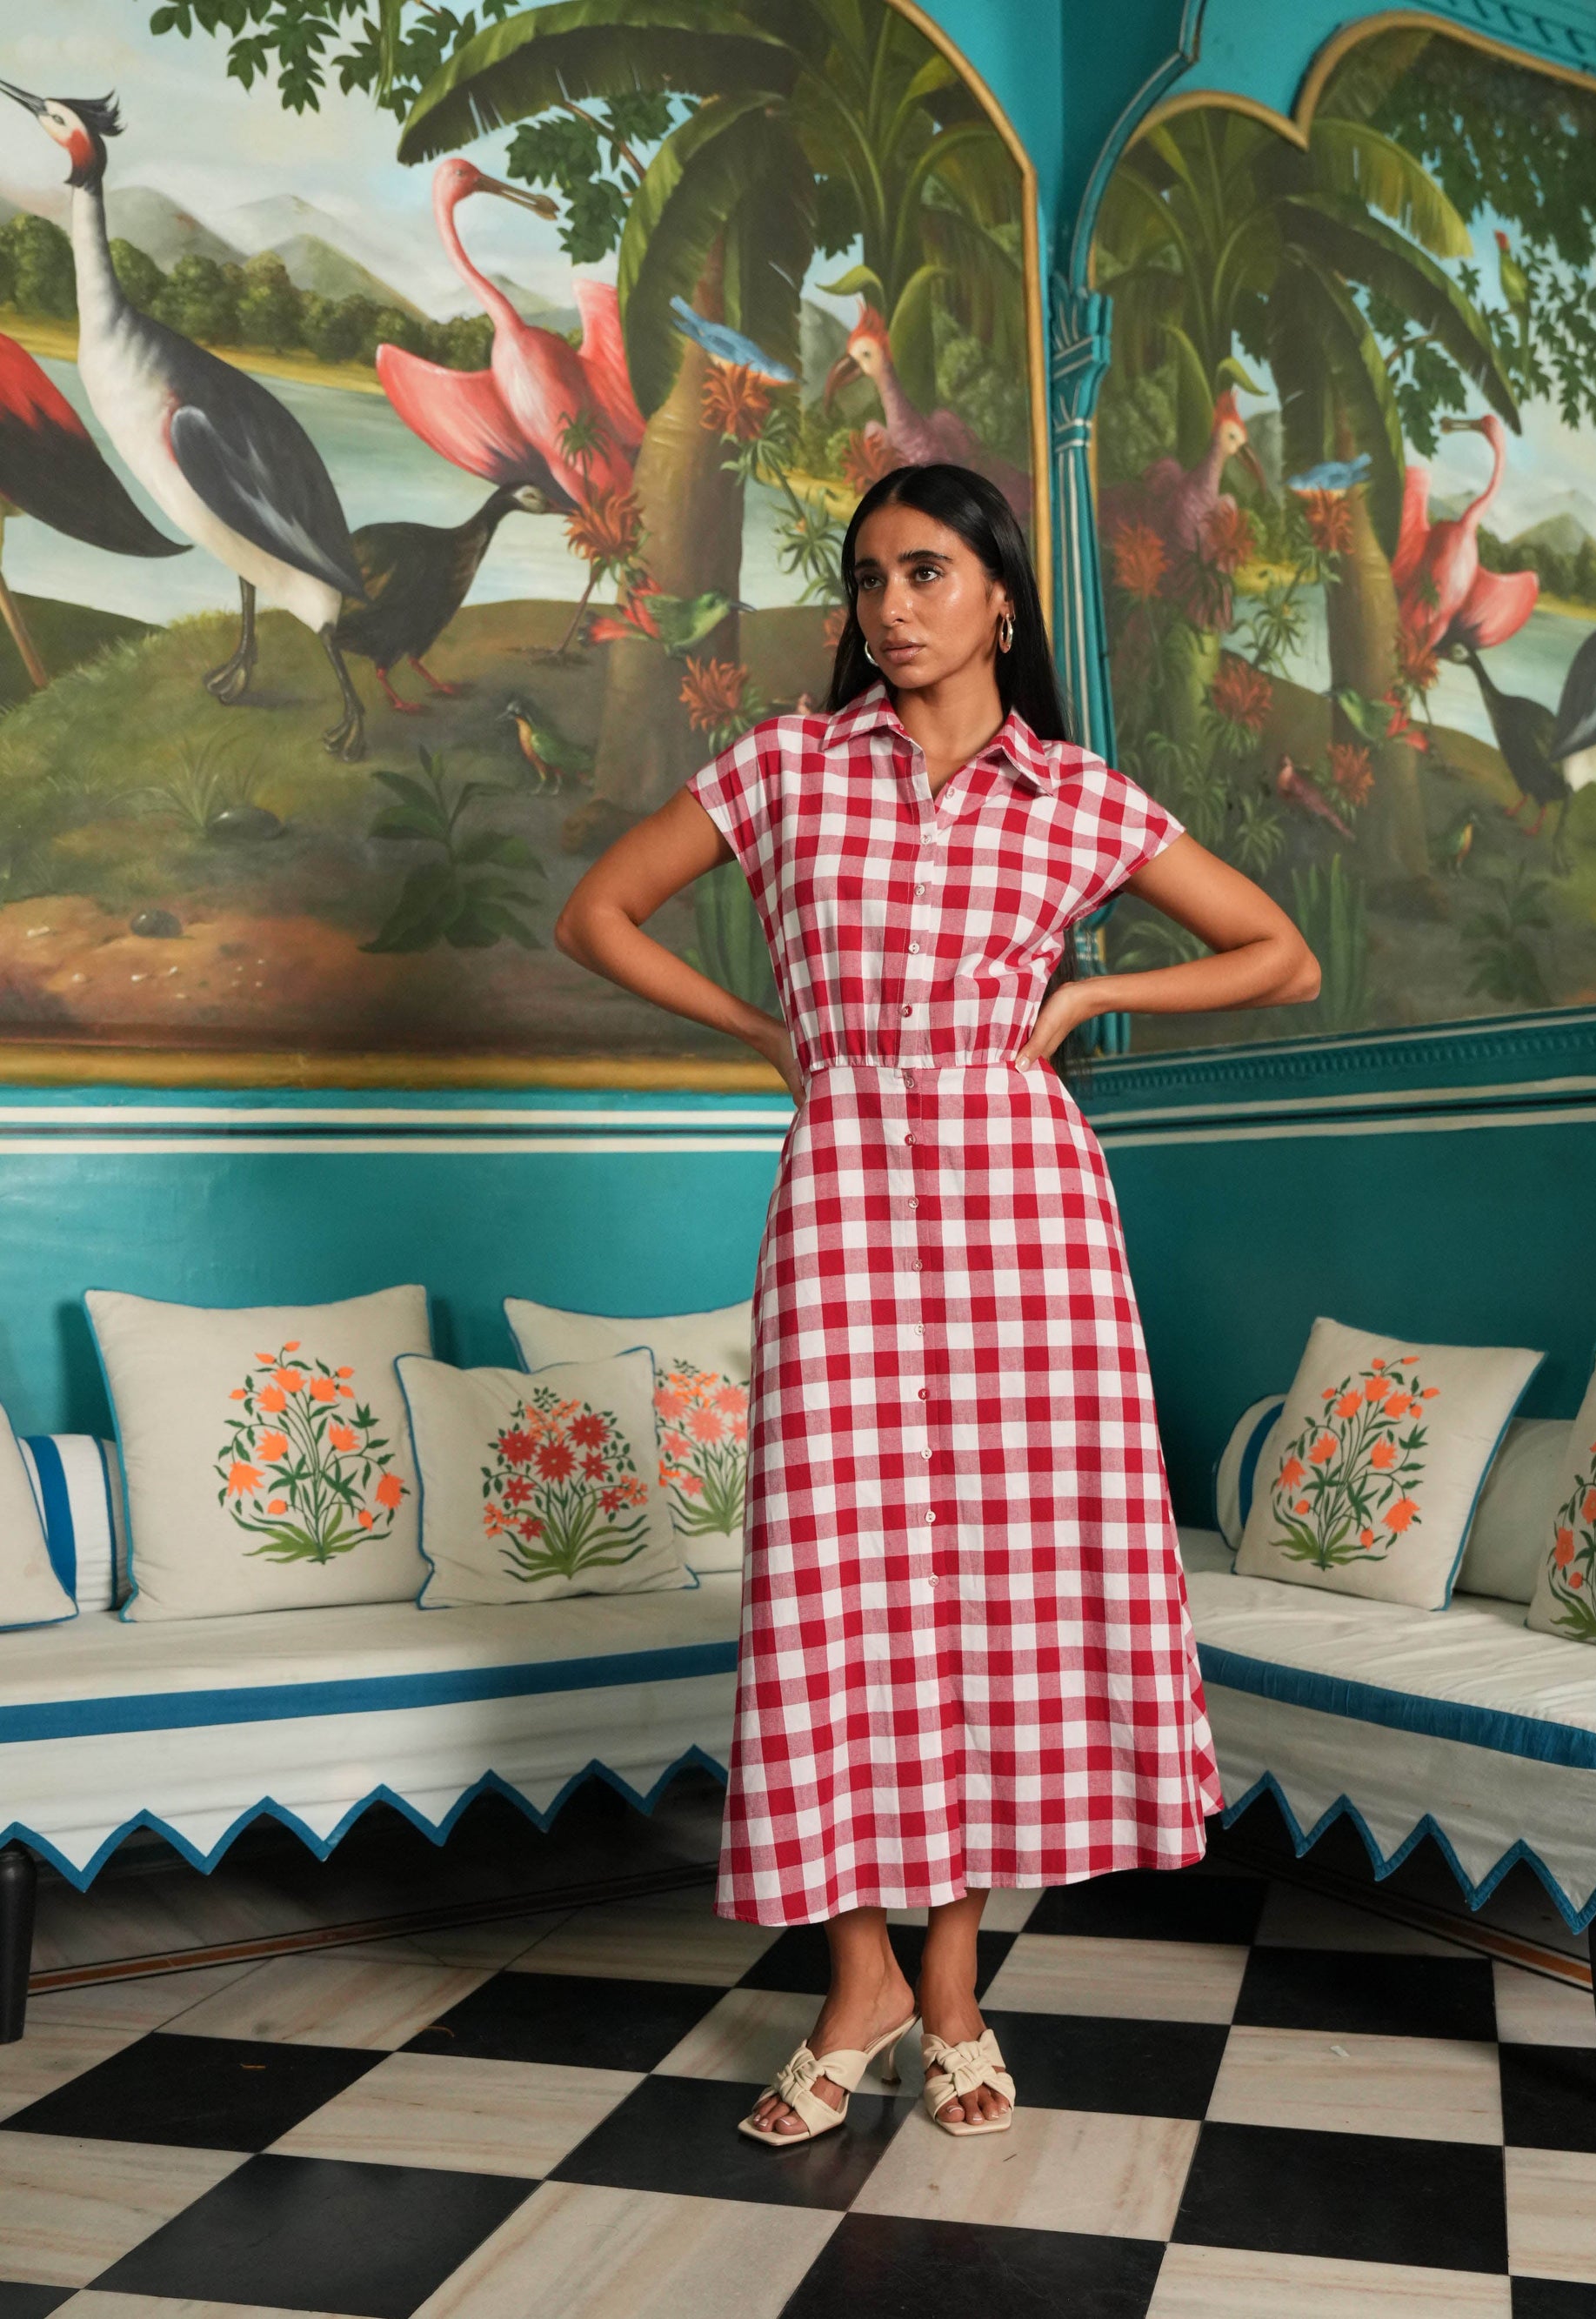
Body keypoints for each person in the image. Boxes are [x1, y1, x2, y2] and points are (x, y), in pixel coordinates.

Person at [556, 461, 1319, 2145]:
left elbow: (1277, 950)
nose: (888, 606)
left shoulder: (1072, 795)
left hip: (1022, 1220)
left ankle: (952, 1987)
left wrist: (1096, 991)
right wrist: (766, 1037)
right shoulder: (782, 768)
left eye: (922, 572)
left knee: (979, 1587)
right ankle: (858, 1979)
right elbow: (597, 911)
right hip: (841, 1207)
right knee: (840, 1584)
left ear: (998, 600)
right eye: (865, 578)